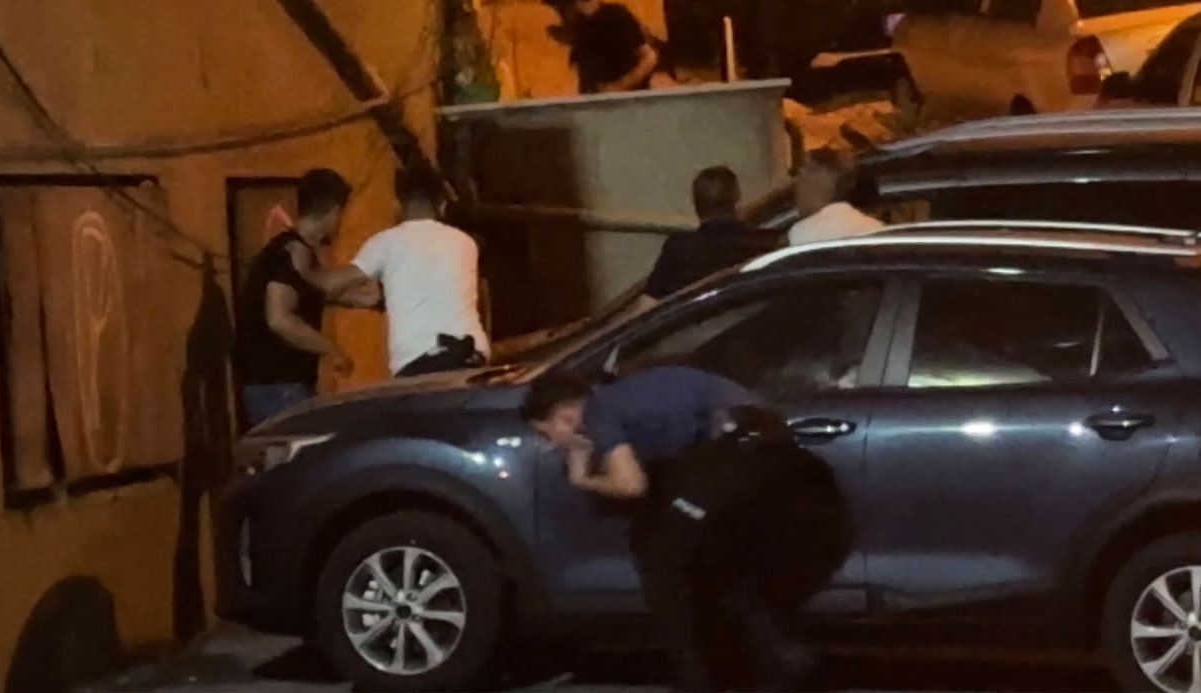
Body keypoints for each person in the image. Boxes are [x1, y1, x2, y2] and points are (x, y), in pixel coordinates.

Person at [522, 366, 846, 691]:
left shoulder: (599, 410)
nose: (550, 445)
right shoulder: (628, 394)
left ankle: (698, 678)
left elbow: (631, 485)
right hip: (773, 455)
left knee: (661, 563)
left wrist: (583, 479)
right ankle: (781, 656)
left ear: (565, 415)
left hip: (736, 455)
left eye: (546, 434)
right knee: (716, 562)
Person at [236, 168, 377, 427]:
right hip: (280, 389)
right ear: (334, 212)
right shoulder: (294, 251)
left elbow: (310, 291)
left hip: (274, 389)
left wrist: (356, 297)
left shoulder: (288, 250)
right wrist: (333, 351)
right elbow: (280, 319)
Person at [342, 166, 490, 377]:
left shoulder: (386, 242)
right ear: (442, 205)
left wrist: (304, 275)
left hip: (418, 361)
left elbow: (333, 283)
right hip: (472, 355)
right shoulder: (466, 242)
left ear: (397, 205)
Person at [632, 166, 774, 313]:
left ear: (696, 205)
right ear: (737, 201)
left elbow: (645, 309)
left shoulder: (679, 250)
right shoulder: (761, 244)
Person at [787, 147, 885, 246]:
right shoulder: (876, 228)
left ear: (823, 179)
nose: (798, 194)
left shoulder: (802, 232)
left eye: (803, 180)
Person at [566, 0, 662, 93]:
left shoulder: (616, 15)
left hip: (631, 100)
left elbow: (649, 58)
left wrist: (618, 87)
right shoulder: (580, 29)